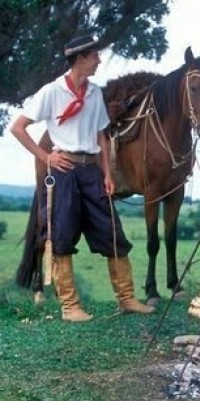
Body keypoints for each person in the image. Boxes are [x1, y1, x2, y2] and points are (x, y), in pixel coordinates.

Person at [10, 33, 154, 321]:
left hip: (91, 171)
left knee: (113, 232)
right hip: (63, 172)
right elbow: (18, 127)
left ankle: (126, 298)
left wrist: (107, 173)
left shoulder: (94, 93)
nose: (99, 60)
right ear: (80, 59)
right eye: (94, 56)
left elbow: (101, 135)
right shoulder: (52, 92)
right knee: (61, 236)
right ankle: (70, 306)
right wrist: (46, 157)